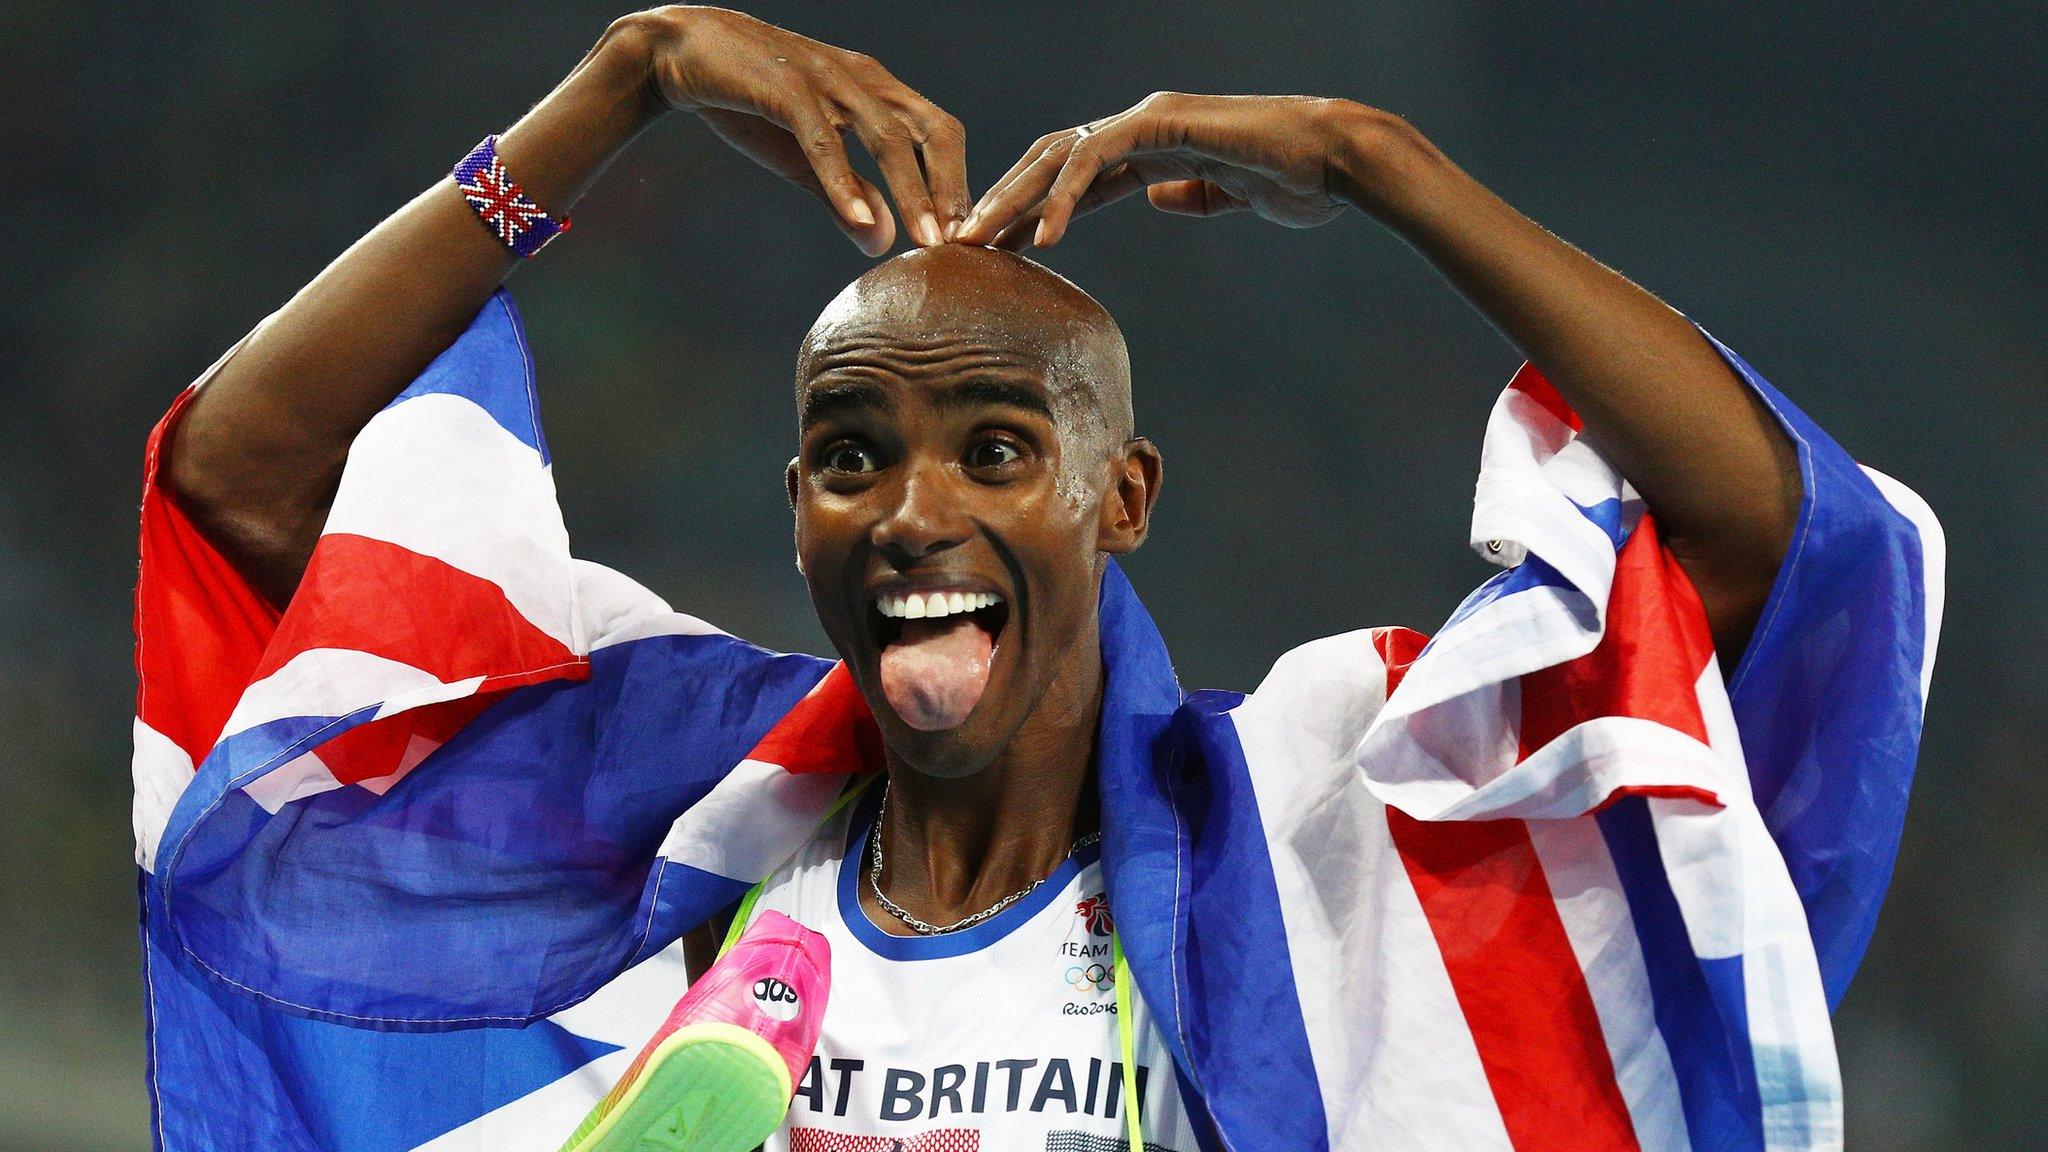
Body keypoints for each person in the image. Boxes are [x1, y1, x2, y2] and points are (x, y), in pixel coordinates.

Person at [131, 6, 1943, 1151]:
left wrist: (1385, 170)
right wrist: (622, 83)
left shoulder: (1313, 849)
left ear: (1121, 494)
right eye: (853, 454)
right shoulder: (671, 838)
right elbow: (241, 484)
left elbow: (1780, 554)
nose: (914, 510)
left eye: (997, 447)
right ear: (794, 507)